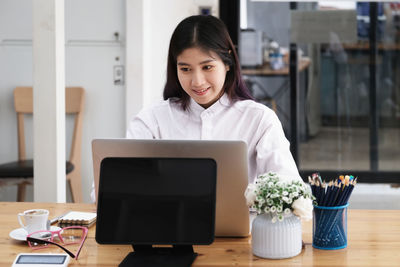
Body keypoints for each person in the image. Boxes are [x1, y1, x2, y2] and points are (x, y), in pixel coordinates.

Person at [126, 15, 301, 183]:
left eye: (207, 67)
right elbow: (107, 184)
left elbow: (288, 187)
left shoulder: (259, 119)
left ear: (227, 63)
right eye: (185, 69)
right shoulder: (152, 120)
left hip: (241, 215)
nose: (197, 81)